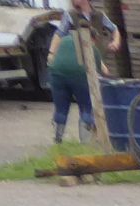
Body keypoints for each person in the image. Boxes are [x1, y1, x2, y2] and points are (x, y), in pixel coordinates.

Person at [46, 0, 120, 144]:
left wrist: (116, 41)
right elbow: (58, 33)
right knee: (87, 105)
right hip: (82, 70)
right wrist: (51, 52)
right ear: (94, 38)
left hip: (58, 71)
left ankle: (58, 139)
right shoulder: (71, 15)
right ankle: (85, 142)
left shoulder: (99, 16)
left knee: (61, 107)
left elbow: (114, 29)